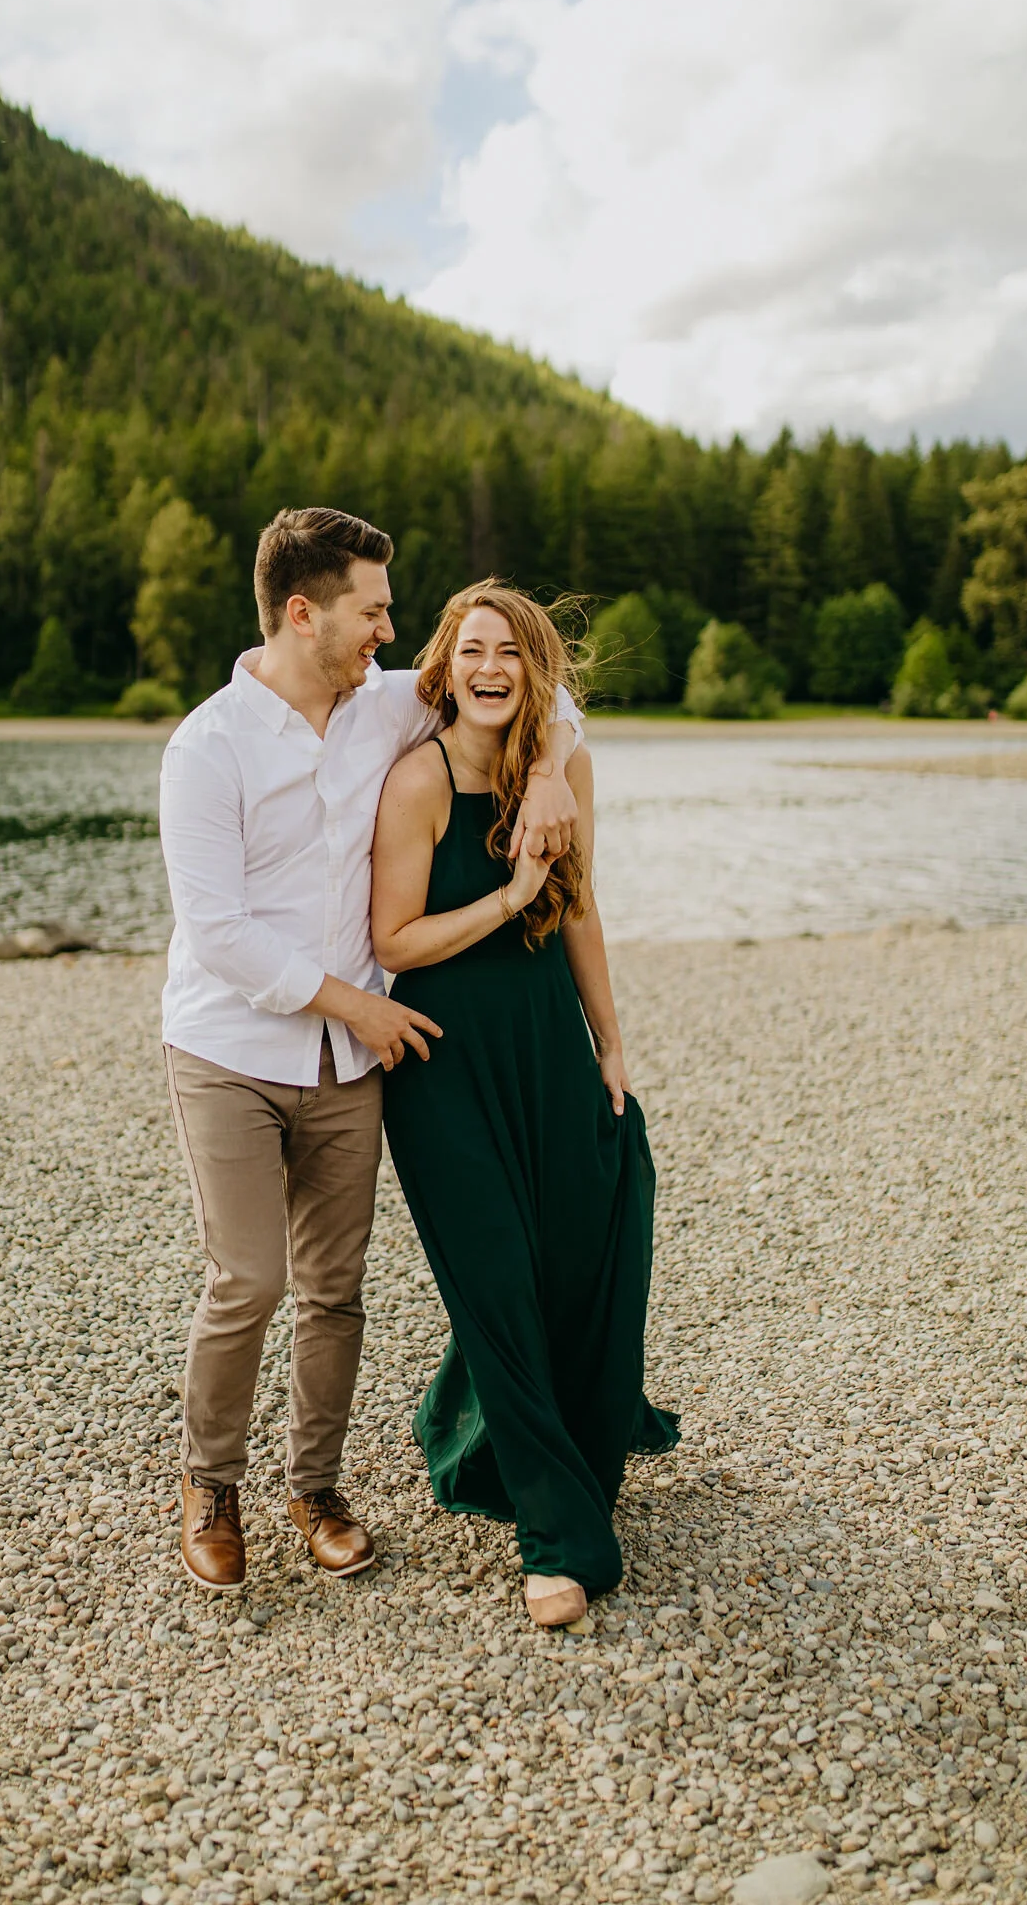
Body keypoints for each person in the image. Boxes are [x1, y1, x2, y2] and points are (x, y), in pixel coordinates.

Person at [158, 510, 584, 1591]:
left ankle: (316, 1486)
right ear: (304, 613)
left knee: (336, 1285)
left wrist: (549, 774)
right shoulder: (205, 747)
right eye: (374, 610)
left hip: (349, 1064)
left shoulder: (389, 703)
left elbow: (542, 692)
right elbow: (219, 933)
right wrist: (361, 1002)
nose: (391, 632)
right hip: (234, 1049)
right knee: (248, 1277)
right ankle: (212, 1487)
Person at [371, 580, 679, 1629]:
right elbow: (394, 942)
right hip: (442, 1057)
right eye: (472, 650)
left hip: (549, 1032)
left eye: (509, 650)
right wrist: (504, 896)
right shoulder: (415, 779)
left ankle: (479, 1430)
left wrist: (611, 1040)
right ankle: (558, 1537)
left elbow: (582, 903)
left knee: (581, 1247)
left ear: (534, 669)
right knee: (496, 1278)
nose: (491, 667)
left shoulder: (563, 765)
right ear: (444, 667)